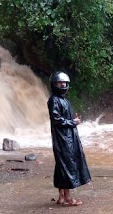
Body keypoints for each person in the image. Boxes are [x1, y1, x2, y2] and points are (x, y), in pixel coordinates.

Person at [47, 71, 92, 206]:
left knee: (62, 165)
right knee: (66, 166)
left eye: (65, 83)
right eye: (60, 82)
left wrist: (73, 121)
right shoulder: (54, 100)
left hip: (68, 138)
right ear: (54, 84)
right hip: (63, 140)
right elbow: (57, 120)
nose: (63, 85)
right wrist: (73, 122)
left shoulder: (63, 100)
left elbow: (63, 119)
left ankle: (61, 196)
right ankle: (68, 198)